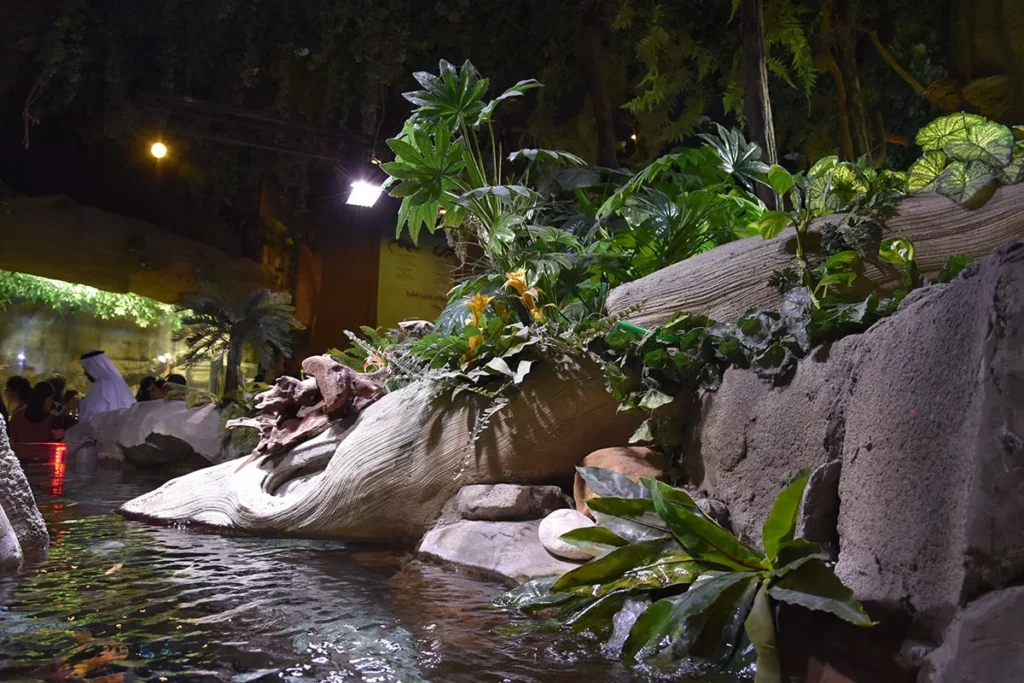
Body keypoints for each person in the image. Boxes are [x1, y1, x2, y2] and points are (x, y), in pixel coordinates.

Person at [78, 351, 135, 422]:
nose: (85, 373)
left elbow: (92, 415)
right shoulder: (119, 383)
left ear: (94, 367)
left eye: (85, 369)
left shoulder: (102, 386)